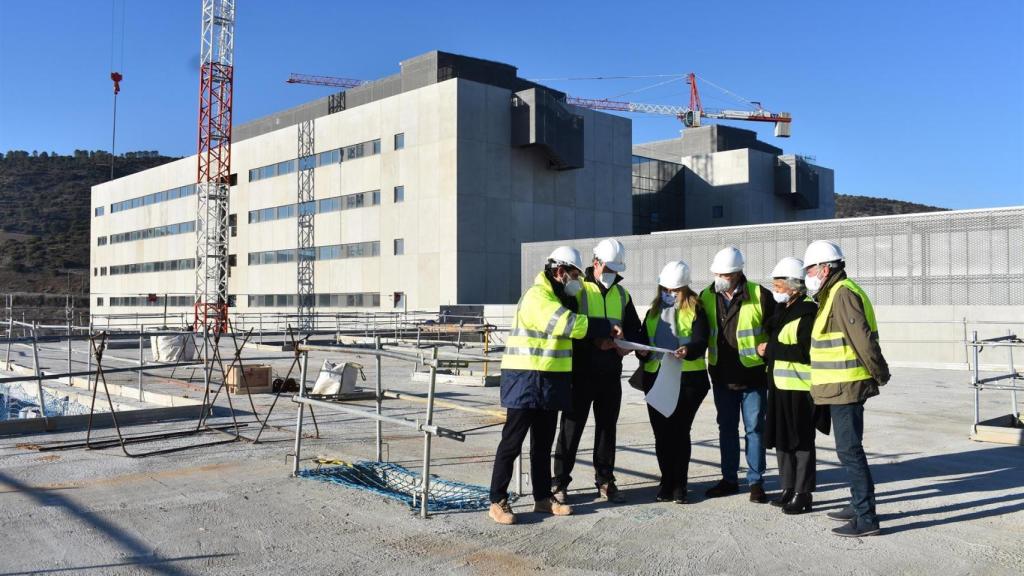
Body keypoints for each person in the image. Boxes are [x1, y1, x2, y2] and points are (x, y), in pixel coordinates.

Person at [488, 246, 623, 525]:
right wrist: (605, 326)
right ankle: (497, 500)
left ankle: (542, 497)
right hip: (525, 378)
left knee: (542, 444)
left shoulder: (559, 295)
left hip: (550, 380)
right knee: (512, 442)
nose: (578, 280)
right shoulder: (539, 296)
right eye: (574, 274)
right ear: (560, 272)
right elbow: (567, 324)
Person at [803, 240, 890, 537]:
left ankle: (866, 518)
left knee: (850, 451)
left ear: (825, 268)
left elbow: (862, 339)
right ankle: (857, 504)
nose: (808, 274)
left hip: (847, 386)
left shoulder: (841, 294)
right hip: (838, 386)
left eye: (810, 268)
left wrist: (879, 373)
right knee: (847, 451)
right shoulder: (832, 293)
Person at [553, 238, 645, 504]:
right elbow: (568, 327)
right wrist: (596, 341)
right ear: (595, 263)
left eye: (615, 270)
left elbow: (634, 328)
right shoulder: (578, 290)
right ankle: (559, 483)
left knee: (607, 429)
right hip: (580, 372)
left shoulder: (622, 294)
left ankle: (605, 480)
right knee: (571, 430)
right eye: (608, 268)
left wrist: (626, 344)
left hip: (610, 373)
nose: (611, 275)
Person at [699, 246, 776, 503]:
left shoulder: (759, 295)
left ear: (737, 273)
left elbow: (776, 329)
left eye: (724, 274)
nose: (719, 278)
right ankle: (729, 479)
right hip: (721, 375)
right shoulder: (706, 295)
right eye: (716, 273)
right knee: (727, 430)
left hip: (753, 376)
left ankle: (756, 482)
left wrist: (769, 348)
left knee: (754, 429)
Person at [758, 257, 828, 515]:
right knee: (782, 439)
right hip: (779, 385)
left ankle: (803, 492)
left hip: (800, 388)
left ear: (793, 286)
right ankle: (787, 487)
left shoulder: (809, 311)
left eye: (778, 286)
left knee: (801, 442)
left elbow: (804, 349)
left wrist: (770, 348)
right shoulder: (784, 310)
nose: (775, 290)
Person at [637, 261, 710, 504]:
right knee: (662, 434)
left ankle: (680, 484)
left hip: (688, 380)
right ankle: (666, 481)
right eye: (666, 290)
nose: (670, 294)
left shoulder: (696, 309)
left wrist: (687, 349)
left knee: (679, 432)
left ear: (685, 289)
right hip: (656, 377)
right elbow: (641, 339)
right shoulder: (653, 311)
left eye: (675, 291)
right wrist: (642, 352)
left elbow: (701, 340)